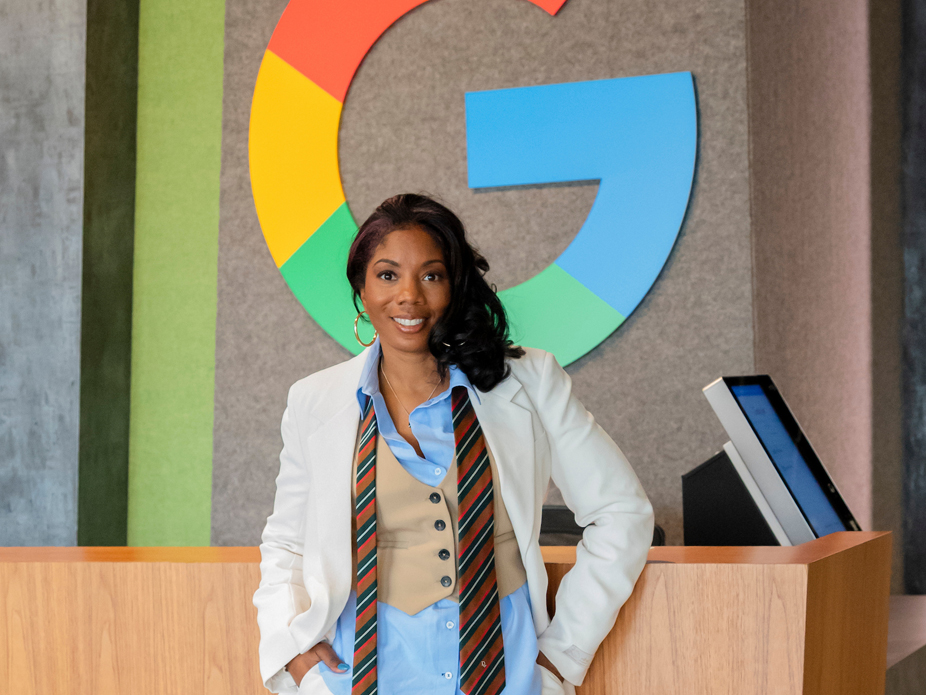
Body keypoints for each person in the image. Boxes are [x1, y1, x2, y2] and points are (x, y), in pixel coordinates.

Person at [253, 194, 654, 695]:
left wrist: (562, 656)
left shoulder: (528, 380)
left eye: (431, 275)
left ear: (454, 284)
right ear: (361, 286)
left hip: (504, 670)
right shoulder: (314, 401)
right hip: (359, 675)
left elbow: (622, 511)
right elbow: (287, 543)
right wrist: (293, 653)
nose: (409, 297)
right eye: (387, 274)